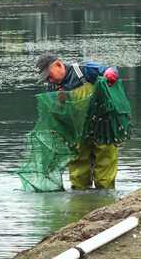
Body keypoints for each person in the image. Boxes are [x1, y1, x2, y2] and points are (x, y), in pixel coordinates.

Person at [36, 54, 120, 189]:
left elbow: (109, 70)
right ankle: (80, 201)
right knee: (78, 172)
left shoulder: (83, 70)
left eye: (49, 75)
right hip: (77, 132)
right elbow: (55, 113)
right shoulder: (52, 88)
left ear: (58, 65)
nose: (49, 80)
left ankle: (106, 198)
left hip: (102, 126)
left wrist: (111, 73)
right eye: (46, 78)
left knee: (105, 165)